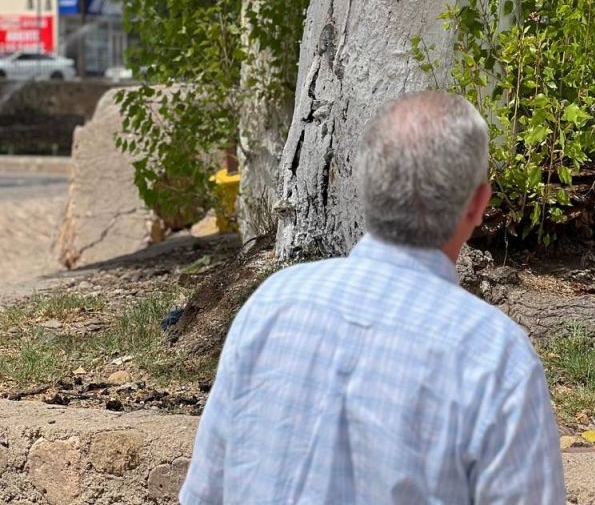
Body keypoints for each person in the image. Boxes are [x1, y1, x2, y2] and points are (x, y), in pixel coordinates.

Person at [180, 91, 566, 505]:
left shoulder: (271, 304)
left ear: (364, 185)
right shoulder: (495, 358)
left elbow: (204, 493)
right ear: (477, 205)